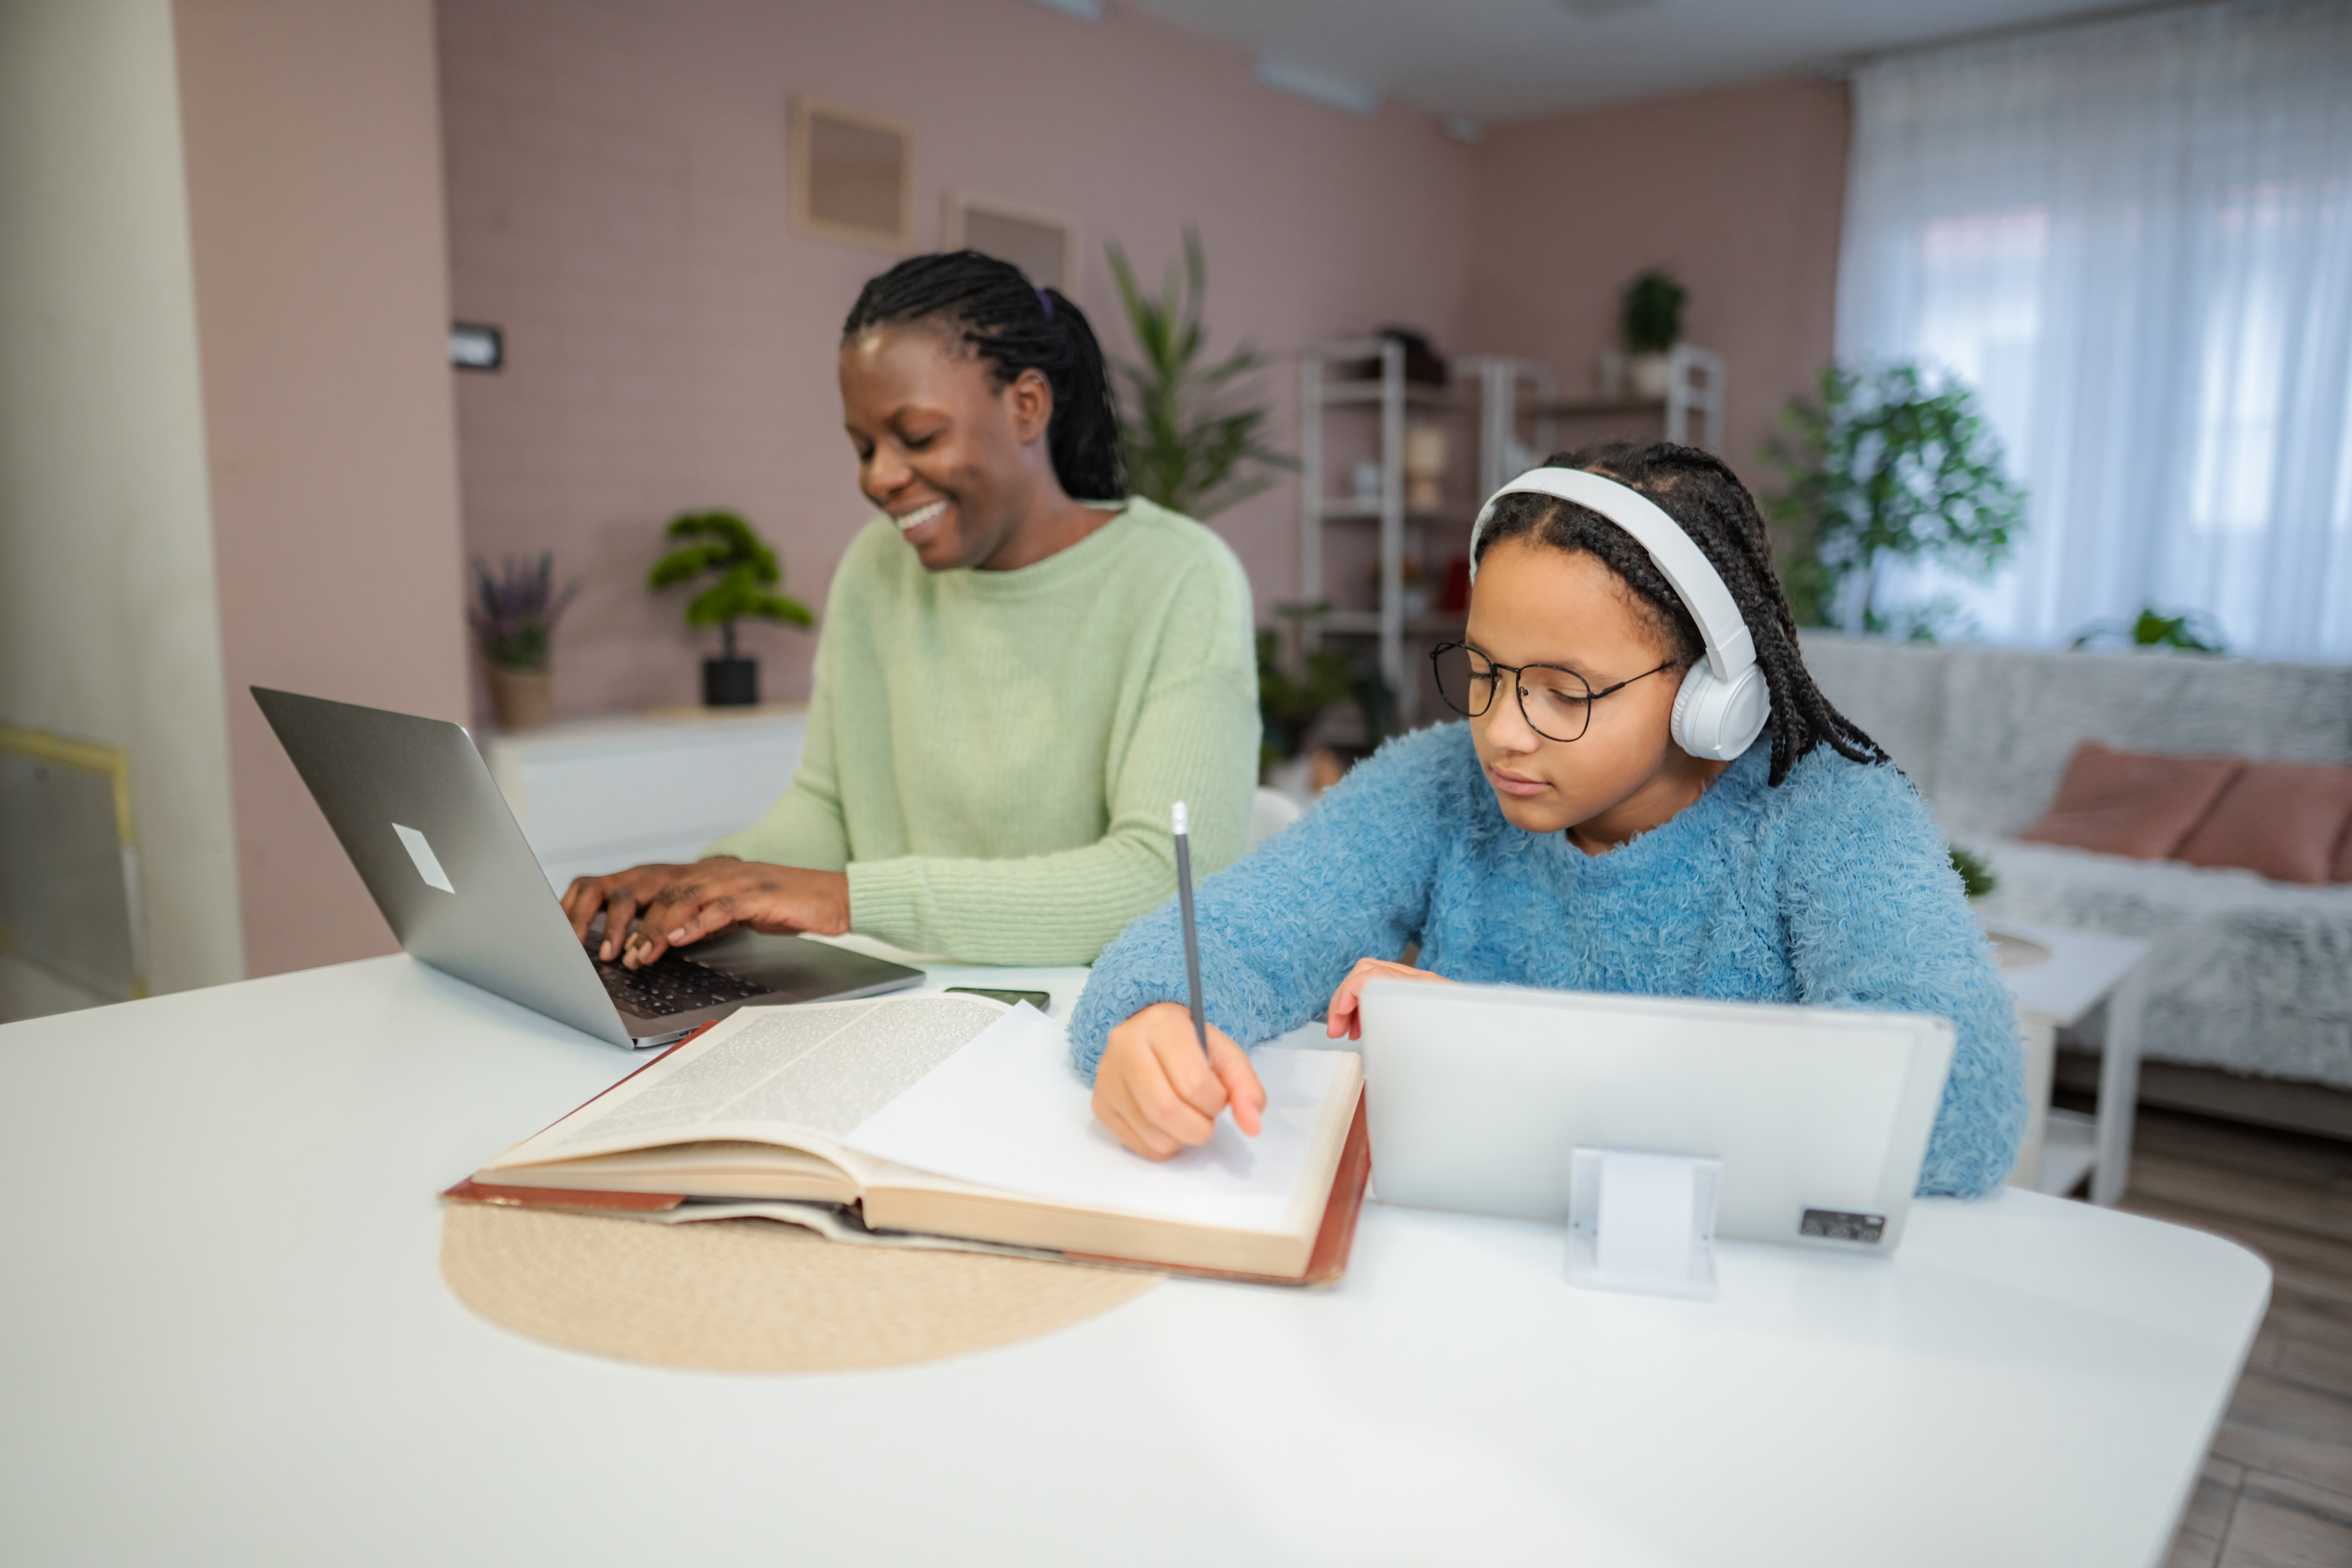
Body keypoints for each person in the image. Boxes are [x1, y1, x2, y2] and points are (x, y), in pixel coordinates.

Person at [1070, 442, 2025, 1198]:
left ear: (1711, 693)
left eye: (1565, 692)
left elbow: (1959, 1109)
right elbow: (1225, 939)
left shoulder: (1831, 814)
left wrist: (1494, 1042)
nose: (1500, 732)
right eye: (1484, 673)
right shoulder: (1439, 782)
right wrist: (1155, 1021)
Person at [561, 252, 1258, 967]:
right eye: (864, 447)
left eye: (918, 437)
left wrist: (845, 898)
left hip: (1092, 1036)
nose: (880, 477)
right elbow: (829, 807)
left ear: (1027, 405)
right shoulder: (876, 566)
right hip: (904, 1008)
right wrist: (706, 889)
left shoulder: (1181, 577)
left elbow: (1164, 882)